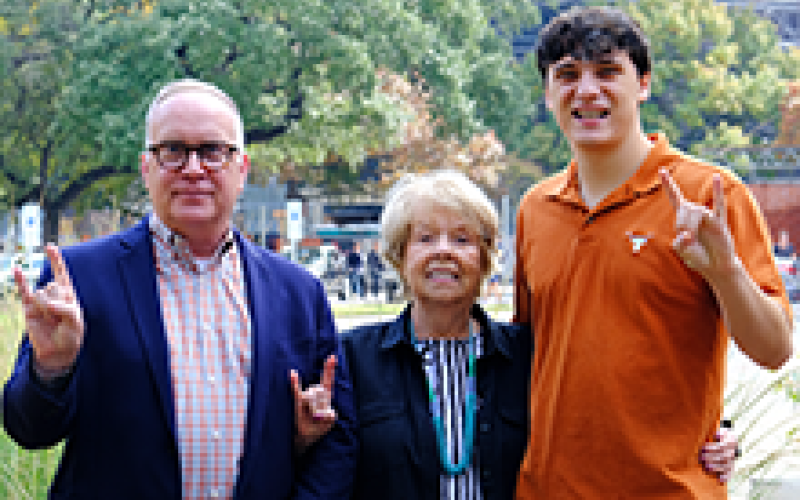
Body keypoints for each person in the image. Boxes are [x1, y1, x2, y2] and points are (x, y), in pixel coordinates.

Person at [3, 79, 357, 499]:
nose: (193, 168)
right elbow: (29, 430)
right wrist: (51, 370)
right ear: (146, 167)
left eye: (212, 151)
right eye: (172, 150)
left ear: (241, 170)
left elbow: (338, 443)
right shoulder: (77, 279)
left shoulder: (299, 294)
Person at [293, 170, 738, 500]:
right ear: (398, 256)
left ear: (485, 261)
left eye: (463, 240)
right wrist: (302, 437)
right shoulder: (353, 359)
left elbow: (611, 407)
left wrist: (713, 435)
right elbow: (326, 470)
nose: (444, 251)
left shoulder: (531, 356)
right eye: (425, 238)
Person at [513, 7, 793, 498]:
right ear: (548, 93)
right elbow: (531, 356)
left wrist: (726, 272)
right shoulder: (536, 208)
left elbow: (774, 349)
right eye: (568, 76)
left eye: (607, 73)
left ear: (643, 84)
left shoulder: (710, 194)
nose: (588, 91)